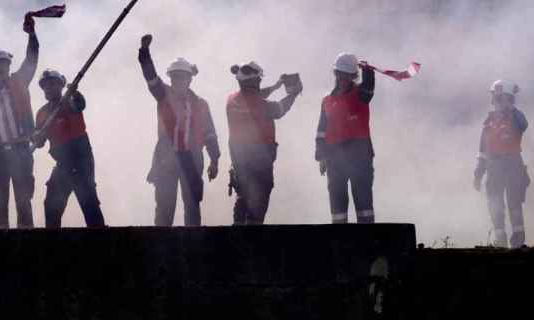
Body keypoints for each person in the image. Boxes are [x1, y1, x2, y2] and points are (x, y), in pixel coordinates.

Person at [137, 35, 220, 226]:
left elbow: (210, 134)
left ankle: (192, 249)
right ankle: (161, 249)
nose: (178, 80)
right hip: (166, 157)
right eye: (175, 77)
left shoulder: (201, 104)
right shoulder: (162, 94)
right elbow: (150, 76)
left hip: (193, 159)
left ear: (190, 79)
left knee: (192, 207)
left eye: (182, 77)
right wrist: (144, 52)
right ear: (171, 78)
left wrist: (214, 160)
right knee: (164, 207)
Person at [0, 18, 40, 229]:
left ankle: (26, 247)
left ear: (9, 66)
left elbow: (32, 59)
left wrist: (32, 36)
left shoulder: (19, 82)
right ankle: (0, 253)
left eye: (2, 64)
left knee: (23, 201)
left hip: (21, 149)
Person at [225, 61, 301, 225]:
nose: (260, 83)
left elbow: (255, 96)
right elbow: (280, 109)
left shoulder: (232, 100)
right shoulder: (260, 105)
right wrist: (293, 94)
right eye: (258, 80)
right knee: (257, 206)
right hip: (259, 164)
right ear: (253, 82)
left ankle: (234, 239)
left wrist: (276, 86)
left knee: (243, 200)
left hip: (239, 162)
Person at [33, 69, 105, 228]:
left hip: (81, 160)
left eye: (52, 84)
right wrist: (37, 138)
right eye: (45, 86)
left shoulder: (69, 101)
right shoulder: (42, 113)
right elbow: (40, 141)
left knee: (89, 202)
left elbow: (79, 104)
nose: (49, 88)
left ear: (61, 86)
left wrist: (75, 93)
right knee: (51, 205)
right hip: (62, 163)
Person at [314, 53, 376, 224]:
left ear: (353, 76)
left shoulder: (360, 94)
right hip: (335, 158)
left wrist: (368, 72)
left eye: (347, 74)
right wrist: (322, 156)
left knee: (364, 204)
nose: (342, 77)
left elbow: (368, 90)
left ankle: (366, 245)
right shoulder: (327, 100)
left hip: (360, 157)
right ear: (335, 73)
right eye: (339, 73)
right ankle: (341, 245)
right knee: (337, 206)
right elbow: (321, 131)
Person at [474, 80, 530, 248]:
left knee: (514, 205)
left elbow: (524, 125)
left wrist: (511, 108)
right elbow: (482, 152)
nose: (495, 101)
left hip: (513, 167)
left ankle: (518, 243)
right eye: (495, 98)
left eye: (499, 98)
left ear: (508, 99)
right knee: (495, 204)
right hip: (493, 168)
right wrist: (478, 174)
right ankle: (500, 242)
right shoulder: (489, 121)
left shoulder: (516, 117)